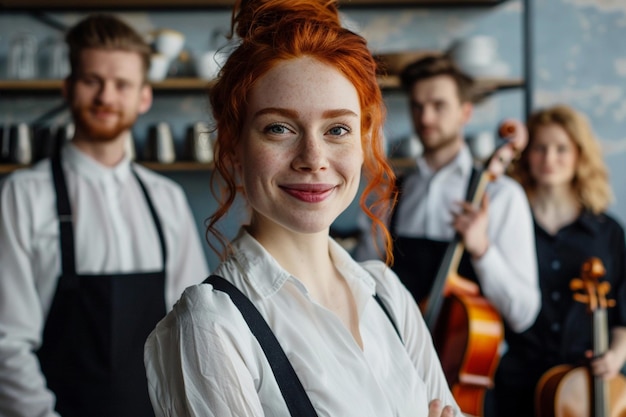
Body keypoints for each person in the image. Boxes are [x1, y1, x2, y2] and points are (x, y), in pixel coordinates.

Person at [143, 1, 462, 416]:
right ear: (234, 148)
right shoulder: (212, 324)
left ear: (363, 140)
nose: (313, 158)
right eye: (279, 128)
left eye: (337, 129)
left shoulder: (387, 294)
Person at [0, 14, 209, 417]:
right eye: (92, 80)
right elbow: (6, 340)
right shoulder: (23, 195)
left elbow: (193, 329)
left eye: (122, 84)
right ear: (68, 88)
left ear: (143, 97)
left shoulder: (166, 198)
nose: (105, 97)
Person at [354, 54, 540, 336]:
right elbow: (360, 280)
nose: (425, 117)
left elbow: (523, 314)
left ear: (465, 112)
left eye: (438, 105)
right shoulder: (390, 193)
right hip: (399, 356)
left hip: (469, 366)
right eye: (417, 107)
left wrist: (482, 250)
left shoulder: (502, 196)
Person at [492, 104, 626, 417]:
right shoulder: (506, 222)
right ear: (526, 154)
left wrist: (616, 356)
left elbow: (624, 312)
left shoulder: (607, 231)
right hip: (517, 380)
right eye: (540, 148)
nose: (549, 158)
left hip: (585, 384)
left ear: (580, 155)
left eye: (561, 148)